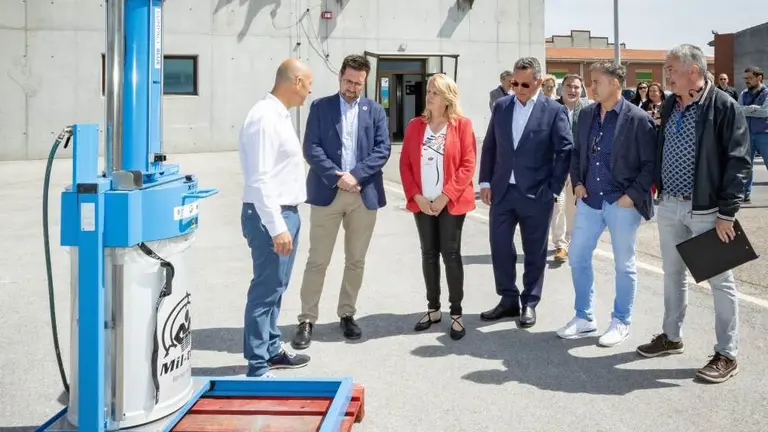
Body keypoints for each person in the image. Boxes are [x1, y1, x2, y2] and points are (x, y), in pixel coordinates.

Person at [636, 44, 751, 384]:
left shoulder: (723, 106)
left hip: (708, 209)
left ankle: (727, 354)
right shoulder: (671, 103)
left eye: (671, 68)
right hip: (670, 204)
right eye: (667, 68)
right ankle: (671, 336)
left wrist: (727, 213)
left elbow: (739, 161)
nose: (665, 75)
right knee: (672, 275)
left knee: (720, 282)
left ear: (695, 71)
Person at [291, 54, 391, 350]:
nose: (352, 87)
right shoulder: (321, 107)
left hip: (363, 194)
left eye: (358, 83)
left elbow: (382, 148)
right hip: (327, 192)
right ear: (339, 78)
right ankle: (307, 319)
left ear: (365, 82)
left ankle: (347, 314)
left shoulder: (375, 111)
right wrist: (338, 177)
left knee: (356, 260)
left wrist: (356, 175)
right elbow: (311, 147)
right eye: (348, 81)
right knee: (318, 260)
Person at [556, 62, 657, 347]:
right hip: (589, 200)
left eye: (596, 81)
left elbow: (651, 164)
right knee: (577, 257)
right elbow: (577, 153)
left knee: (624, 266)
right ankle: (584, 317)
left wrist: (632, 196)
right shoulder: (587, 114)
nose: (591, 87)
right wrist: (577, 182)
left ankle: (621, 320)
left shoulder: (637, 118)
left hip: (621, 203)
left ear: (615, 84)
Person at [478, 56, 573, 328]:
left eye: (524, 84)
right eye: (513, 83)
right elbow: (490, 146)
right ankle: (508, 299)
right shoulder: (502, 106)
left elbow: (564, 151)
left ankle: (529, 302)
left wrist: (554, 188)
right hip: (502, 192)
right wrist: (485, 182)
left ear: (538, 83)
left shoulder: (553, 111)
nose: (517, 88)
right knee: (499, 247)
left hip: (537, 193)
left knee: (534, 251)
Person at [238, 58, 313, 378]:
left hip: (285, 213)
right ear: (295, 82)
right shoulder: (264, 118)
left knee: (277, 287)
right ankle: (257, 364)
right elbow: (259, 178)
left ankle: (271, 349)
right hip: (271, 215)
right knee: (265, 290)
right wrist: (277, 226)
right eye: (308, 84)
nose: (310, 91)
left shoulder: (279, 116)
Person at [399, 73, 477, 340]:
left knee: (451, 255)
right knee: (428, 254)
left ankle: (456, 313)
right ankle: (433, 309)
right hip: (423, 203)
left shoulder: (462, 126)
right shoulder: (414, 126)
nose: (429, 95)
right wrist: (417, 196)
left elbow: (468, 165)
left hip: (450, 203)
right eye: (429, 91)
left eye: (435, 92)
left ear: (447, 98)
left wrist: (446, 195)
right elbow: (406, 166)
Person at [553, 73, 590, 262]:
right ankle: (560, 245)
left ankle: (570, 241)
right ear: (562, 88)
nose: (572, 90)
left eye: (576, 87)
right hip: (555, 166)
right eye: (568, 86)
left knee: (572, 207)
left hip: (578, 167)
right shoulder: (551, 107)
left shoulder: (588, 110)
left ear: (581, 89)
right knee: (557, 206)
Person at [739, 66, 768, 204]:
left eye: (750, 78)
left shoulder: (767, 93)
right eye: (745, 78)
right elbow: (738, 111)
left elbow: (765, 112)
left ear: (759, 78)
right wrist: (754, 108)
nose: (747, 81)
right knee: (746, 166)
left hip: (764, 134)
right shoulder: (744, 94)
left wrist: (748, 110)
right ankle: (745, 194)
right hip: (747, 134)